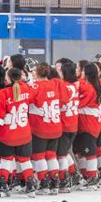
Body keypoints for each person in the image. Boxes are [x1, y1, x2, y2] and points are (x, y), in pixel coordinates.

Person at [0, 67, 36, 197]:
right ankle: (31, 186)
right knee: (25, 161)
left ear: (9, 78)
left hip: (7, 135)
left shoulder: (1, 93)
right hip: (24, 133)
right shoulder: (26, 89)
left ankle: (4, 187)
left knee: (6, 161)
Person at [28, 62, 64, 194]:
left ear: (37, 73)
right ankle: (54, 183)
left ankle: (43, 184)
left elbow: (27, 100)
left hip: (41, 127)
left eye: (33, 71)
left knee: (39, 156)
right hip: (55, 126)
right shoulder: (54, 84)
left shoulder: (36, 86)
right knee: (51, 155)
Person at [73, 61, 101, 189]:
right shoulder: (94, 85)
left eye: (82, 71)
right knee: (83, 151)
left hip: (88, 123)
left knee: (89, 152)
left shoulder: (88, 87)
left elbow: (78, 103)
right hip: (90, 123)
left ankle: (92, 177)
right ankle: (88, 175)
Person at [55, 58, 80, 191]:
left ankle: (64, 180)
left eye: (61, 71)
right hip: (72, 124)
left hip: (65, 125)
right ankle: (74, 174)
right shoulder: (73, 86)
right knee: (64, 153)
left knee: (61, 154)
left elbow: (59, 103)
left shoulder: (65, 86)